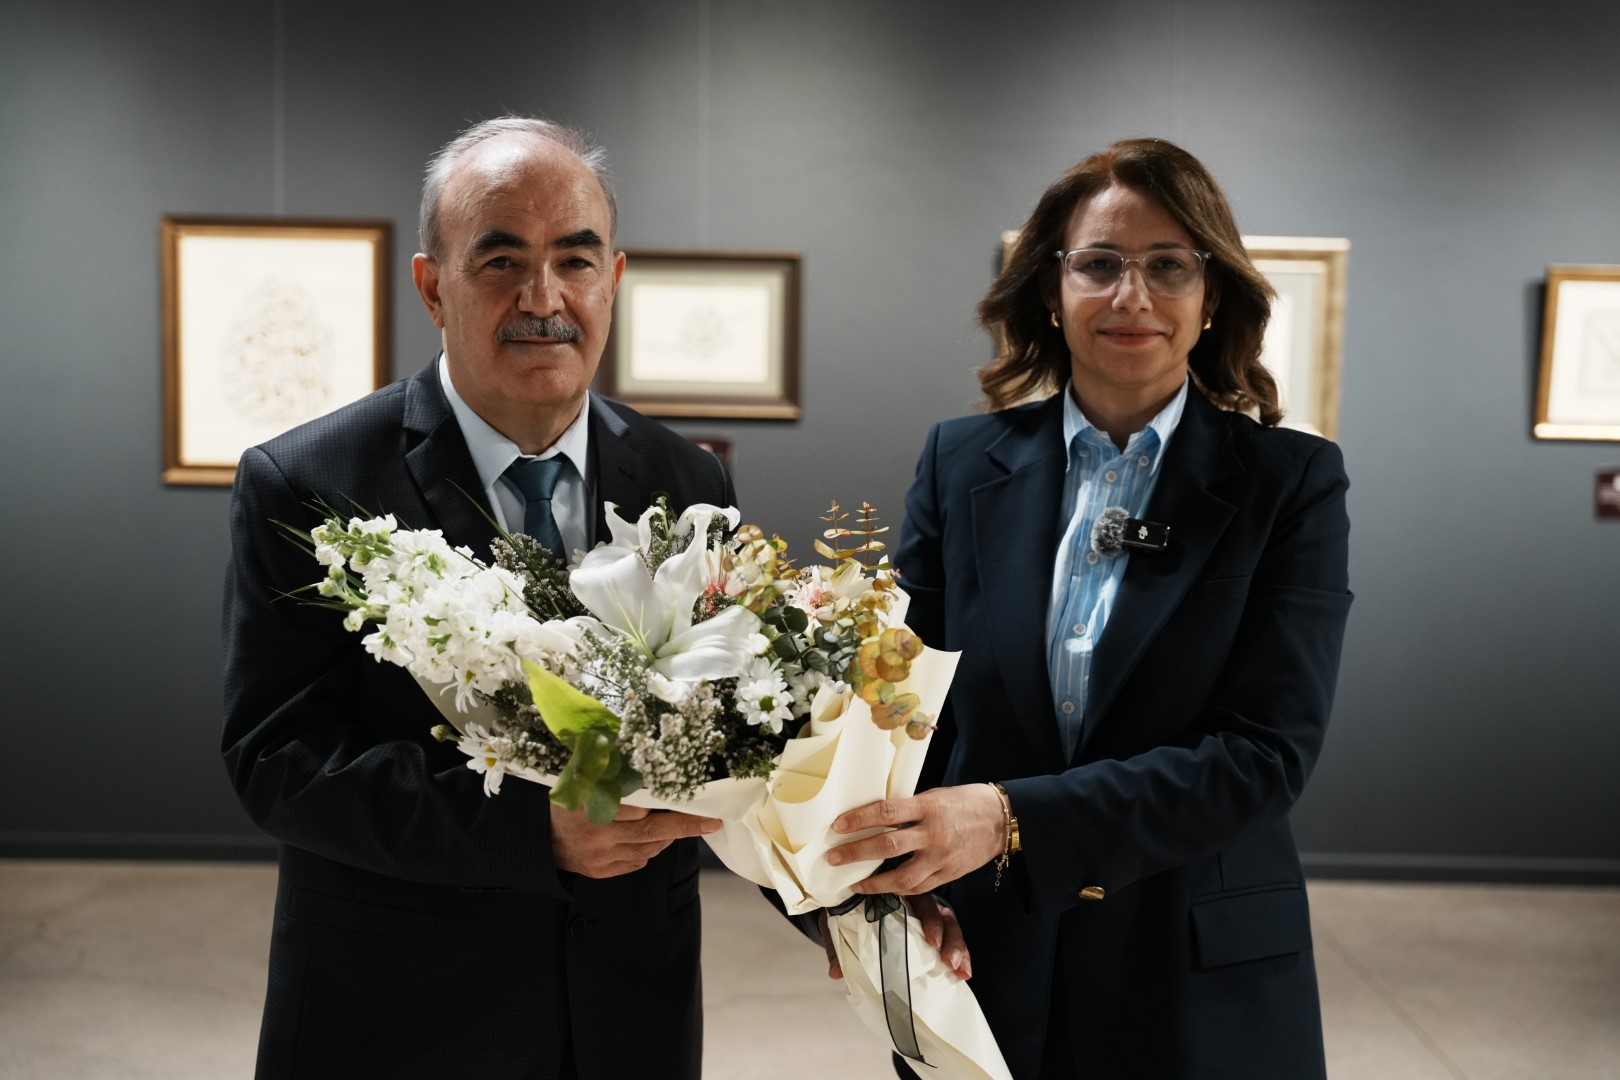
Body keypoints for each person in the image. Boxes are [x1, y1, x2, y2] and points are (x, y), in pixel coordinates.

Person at [826, 138, 1353, 1079]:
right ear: (1049, 288)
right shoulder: (958, 464)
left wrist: (1009, 818)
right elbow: (900, 710)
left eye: (1168, 266)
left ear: (1212, 295)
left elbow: (1264, 757)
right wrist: (873, 885)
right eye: (1099, 264)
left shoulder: (1291, 483)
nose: (1131, 296)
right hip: (983, 954)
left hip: (1193, 970)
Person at [221, 117, 733, 1080]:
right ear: (432, 286)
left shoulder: (689, 480)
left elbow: (735, 732)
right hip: (398, 1011)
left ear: (613, 278)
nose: (544, 298)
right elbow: (277, 759)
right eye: (502, 261)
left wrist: (843, 897)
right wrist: (529, 832)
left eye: (575, 260)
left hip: (632, 1012)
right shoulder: (308, 483)